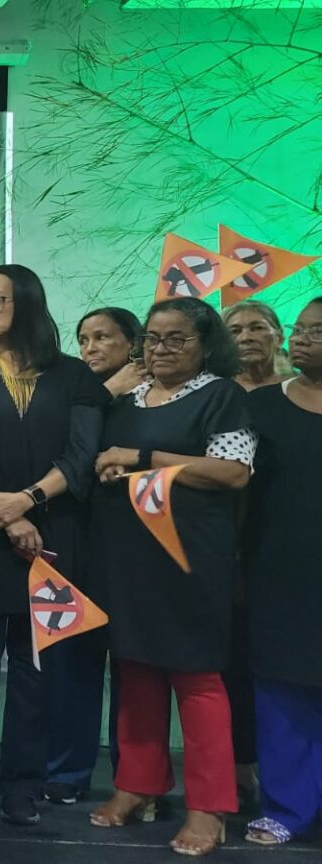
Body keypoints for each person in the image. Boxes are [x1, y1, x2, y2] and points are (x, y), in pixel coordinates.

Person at [0, 265, 107, 824]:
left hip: (54, 538)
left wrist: (28, 500)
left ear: (27, 302)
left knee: (37, 671)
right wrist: (5, 511)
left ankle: (22, 785)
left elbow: (81, 456)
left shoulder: (75, 377)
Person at [88, 297, 252, 856]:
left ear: (206, 344)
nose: (160, 350)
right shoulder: (125, 396)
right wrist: (108, 460)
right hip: (127, 556)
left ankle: (209, 807)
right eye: (153, 339)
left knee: (197, 680)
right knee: (135, 670)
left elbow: (231, 472)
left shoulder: (219, 395)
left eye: (176, 339)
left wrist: (140, 454)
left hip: (190, 557)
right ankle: (138, 786)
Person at [243, 297, 322, 846]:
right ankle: (287, 808)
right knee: (283, 690)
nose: (307, 337)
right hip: (278, 571)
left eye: (320, 329)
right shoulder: (260, 408)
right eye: (302, 328)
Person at [219, 299, 285, 805]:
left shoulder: (299, 391)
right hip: (229, 541)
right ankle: (242, 767)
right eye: (235, 328)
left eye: (258, 326)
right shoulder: (218, 396)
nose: (247, 335)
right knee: (237, 660)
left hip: (291, 539)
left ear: (278, 334)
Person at [77, 307, 145, 397]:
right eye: (83, 341)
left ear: (133, 342)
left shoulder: (158, 387)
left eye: (101, 337)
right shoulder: (73, 393)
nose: (90, 349)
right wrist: (110, 389)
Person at [224, 300, 288, 392]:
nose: (246, 338)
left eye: (258, 328)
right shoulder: (218, 392)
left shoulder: (304, 386)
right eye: (235, 331)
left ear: (279, 338)